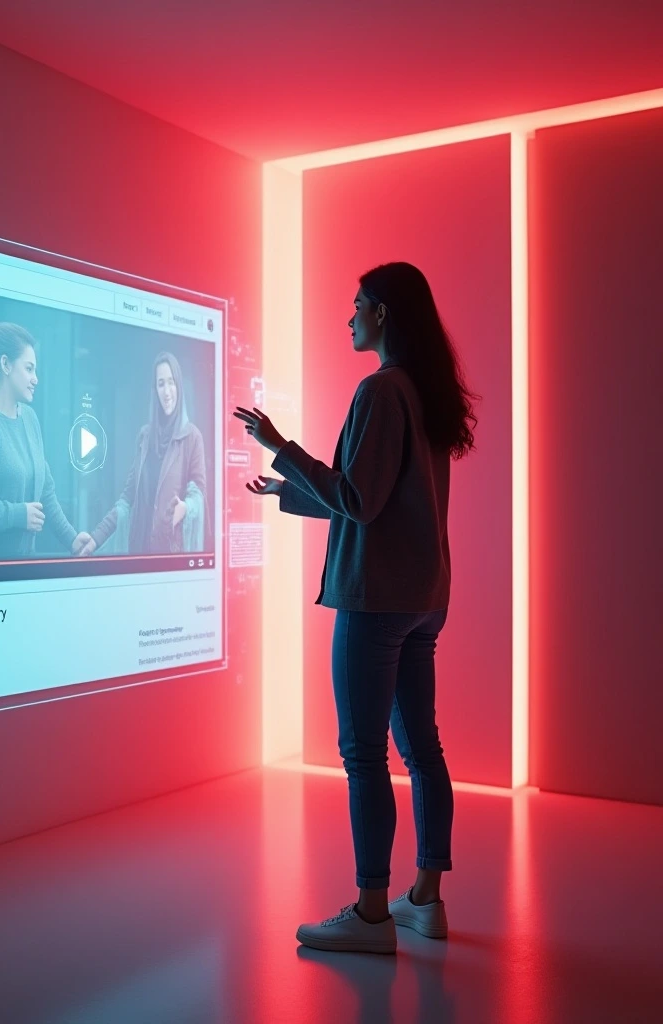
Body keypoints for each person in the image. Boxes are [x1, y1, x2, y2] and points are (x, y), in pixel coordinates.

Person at [235, 262, 478, 955]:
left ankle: (372, 913)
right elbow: (374, 501)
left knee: (363, 753)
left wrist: (283, 449)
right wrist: (286, 490)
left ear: (383, 316)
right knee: (421, 747)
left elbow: (359, 501)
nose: (349, 316)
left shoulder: (380, 390)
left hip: (376, 604)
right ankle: (424, 900)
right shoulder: (427, 396)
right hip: (424, 599)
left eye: (358, 305)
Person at [0, 322, 93, 561]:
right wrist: (17, 515)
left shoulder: (29, 418)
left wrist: (72, 538)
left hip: (22, 565)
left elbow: (45, 491)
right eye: (29, 369)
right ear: (5, 364)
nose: (35, 379)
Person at [83, 352, 208, 556]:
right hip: (140, 554)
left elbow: (198, 494)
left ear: (179, 386)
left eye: (171, 382)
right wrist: (96, 538)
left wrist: (185, 508)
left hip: (172, 556)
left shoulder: (192, 437)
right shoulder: (145, 437)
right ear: (155, 390)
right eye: (161, 384)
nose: (167, 391)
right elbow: (127, 498)